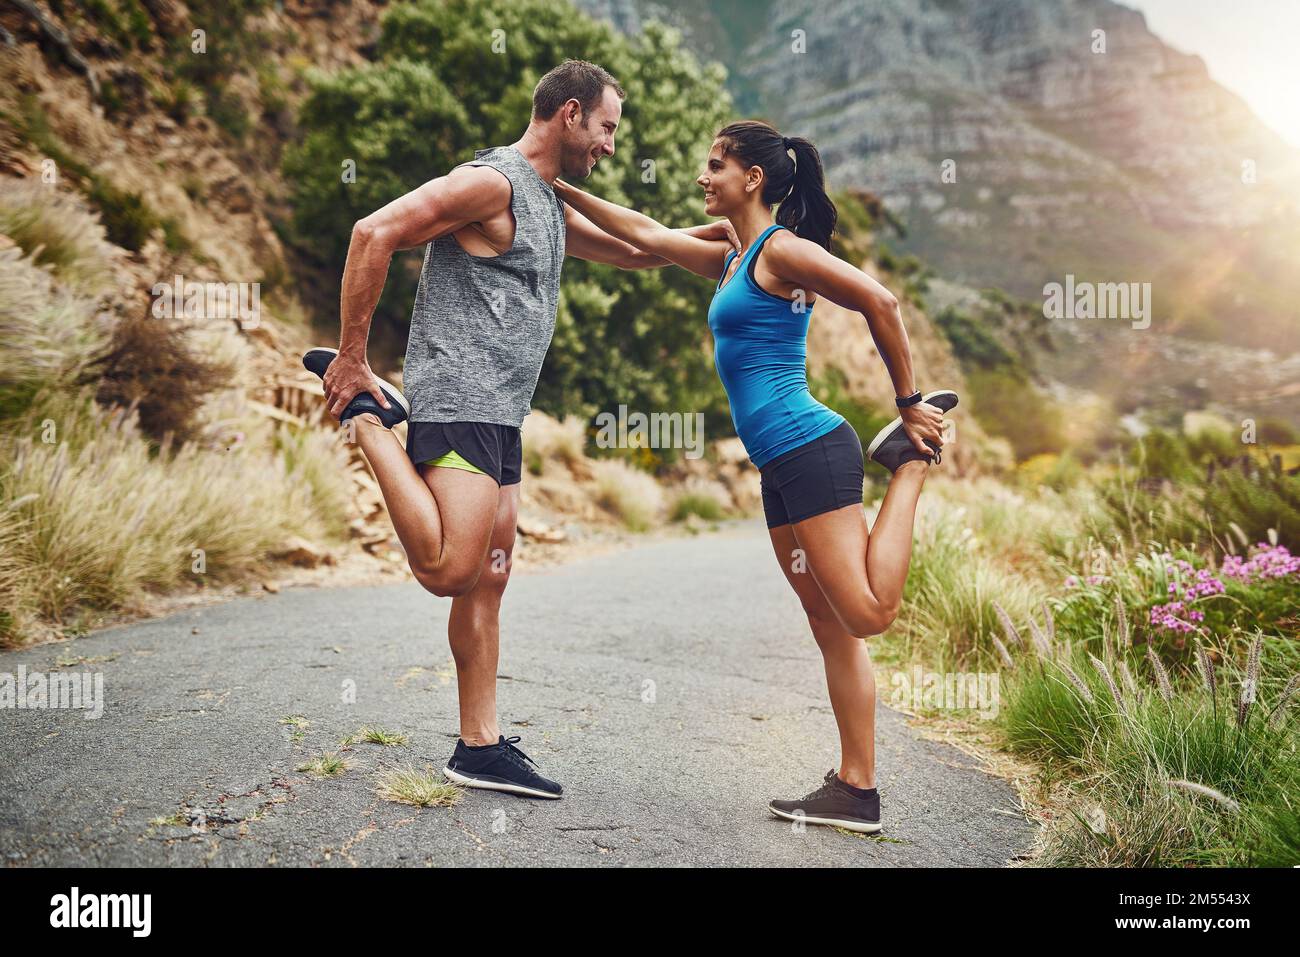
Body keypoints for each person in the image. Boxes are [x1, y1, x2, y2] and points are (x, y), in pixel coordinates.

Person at [302, 60, 737, 800]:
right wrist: (352, 357)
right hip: (458, 401)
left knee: (491, 576)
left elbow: (637, 249)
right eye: (605, 129)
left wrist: (732, 239)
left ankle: (479, 746)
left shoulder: (543, 200)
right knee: (448, 568)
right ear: (570, 114)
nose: (608, 146)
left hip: (502, 414)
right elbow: (373, 230)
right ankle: (370, 420)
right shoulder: (492, 183)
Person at [553, 120, 958, 833]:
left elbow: (881, 302)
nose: (703, 176)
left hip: (811, 446)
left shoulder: (782, 251)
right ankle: (855, 790)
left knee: (866, 613)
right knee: (827, 621)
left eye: (715, 166)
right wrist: (552, 187)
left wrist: (906, 402)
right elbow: (644, 235)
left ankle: (909, 463)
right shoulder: (736, 252)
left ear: (753, 178)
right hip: (779, 465)